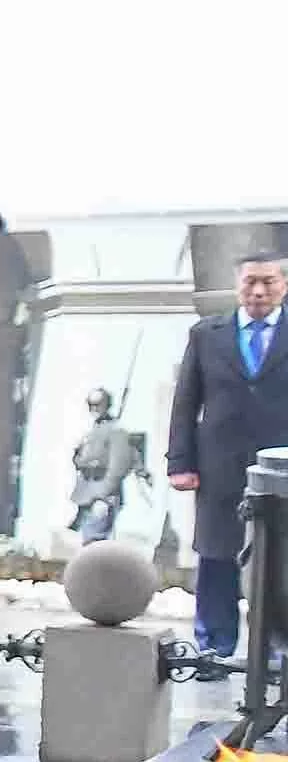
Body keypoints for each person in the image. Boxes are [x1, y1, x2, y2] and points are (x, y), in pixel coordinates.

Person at [168, 252, 288, 658]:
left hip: (280, 469)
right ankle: (214, 646)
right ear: (237, 285)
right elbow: (186, 402)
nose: (258, 291)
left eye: (268, 282)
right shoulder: (207, 334)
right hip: (218, 466)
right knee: (217, 555)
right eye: (250, 282)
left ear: (283, 285)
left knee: (278, 561)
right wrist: (180, 463)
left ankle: (275, 651)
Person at [68, 387, 148, 546]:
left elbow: (119, 466)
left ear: (106, 405)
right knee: (86, 542)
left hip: (103, 494)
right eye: (91, 404)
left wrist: (104, 496)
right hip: (87, 493)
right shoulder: (93, 430)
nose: (94, 409)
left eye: (98, 404)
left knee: (94, 542)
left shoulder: (117, 431)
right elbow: (80, 460)